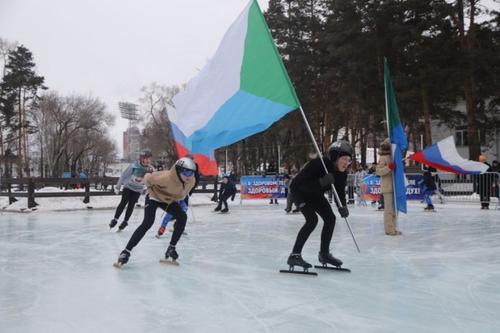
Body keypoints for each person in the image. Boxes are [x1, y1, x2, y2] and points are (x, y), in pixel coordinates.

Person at [114, 157, 199, 267]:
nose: (189, 176)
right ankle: (126, 252)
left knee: (182, 217)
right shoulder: (164, 177)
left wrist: (180, 200)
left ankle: (171, 248)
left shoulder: (192, 181)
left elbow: (183, 192)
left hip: (168, 201)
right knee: (148, 222)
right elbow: (147, 178)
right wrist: (151, 190)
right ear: (178, 170)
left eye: (191, 173)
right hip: (154, 197)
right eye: (186, 172)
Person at [286, 140, 352, 270]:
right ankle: (294, 255)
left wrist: (342, 206)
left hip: (316, 193)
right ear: (335, 157)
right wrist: (321, 183)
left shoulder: (342, 173)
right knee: (312, 220)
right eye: (344, 159)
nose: (346, 163)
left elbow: (339, 191)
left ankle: (324, 254)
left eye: (349, 160)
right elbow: (301, 184)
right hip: (299, 191)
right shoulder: (319, 164)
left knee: (330, 218)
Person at [109, 150, 153, 230]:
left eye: (149, 159)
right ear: (141, 158)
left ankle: (125, 221)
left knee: (131, 205)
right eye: (146, 158)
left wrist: (148, 189)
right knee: (123, 202)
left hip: (138, 189)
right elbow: (124, 175)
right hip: (128, 187)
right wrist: (118, 187)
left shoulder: (150, 169)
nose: (148, 160)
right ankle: (115, 219)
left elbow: (153, 180)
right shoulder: (134, 165)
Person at [376, 139, 402, 236]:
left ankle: (393, 228)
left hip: (396, 186)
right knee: (389, 210)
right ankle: (389, 229)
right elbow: (378, 171)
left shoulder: (394, 157)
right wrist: (389, 167)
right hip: (388, 187)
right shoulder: (383, 157)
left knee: (395, 209)